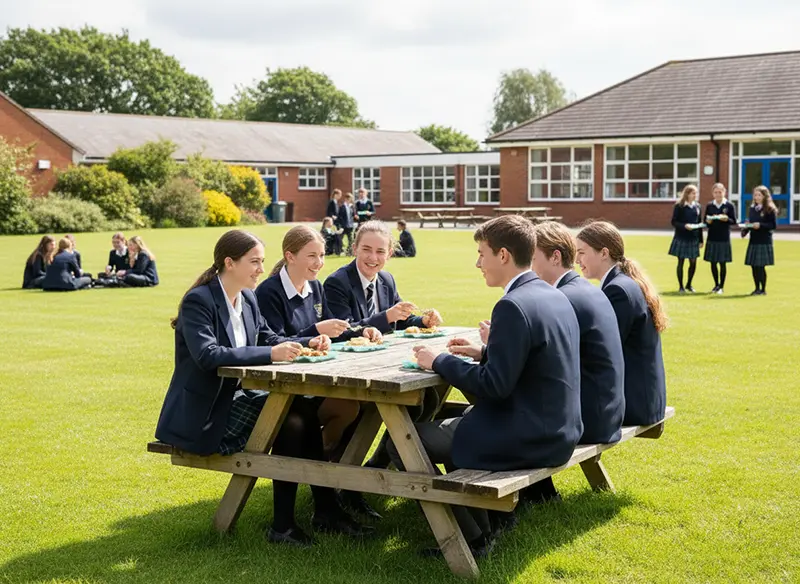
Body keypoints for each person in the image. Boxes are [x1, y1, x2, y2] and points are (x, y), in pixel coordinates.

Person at [155, 230, 371, 547]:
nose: (260, 269)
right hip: (208, 415)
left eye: (261, 261)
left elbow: (268, 338)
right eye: (254, 262)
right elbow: (207, 355)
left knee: (298, 412)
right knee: (295, 414)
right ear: (229, 263)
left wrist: (307, 342)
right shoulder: (199, 301)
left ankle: (306, 516)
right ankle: (307, 516)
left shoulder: (247, 297)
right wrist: (271, 353)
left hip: (239, 398)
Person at [397, 215, 582, 558]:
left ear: (503, 255)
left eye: (482, 254)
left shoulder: (512, 305)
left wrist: (438, 361)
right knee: (459, 423)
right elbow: (534, 361)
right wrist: (484, 352)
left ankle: (471, 539)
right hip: (561, 429)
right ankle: (489, 524)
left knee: (403, 439)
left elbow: (494, 386)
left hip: (529, 436)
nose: (478, 263)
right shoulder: (552, 295)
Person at [324, 220, 443, 518]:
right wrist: (385, 317)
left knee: (427, 397)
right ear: (354, 248)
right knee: (400, 403)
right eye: (366, 249)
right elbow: (343, 330)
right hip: (347, 375)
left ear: (389, 253)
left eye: (380, 251)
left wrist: (421, 321)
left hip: (381, 367)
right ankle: (350, 484)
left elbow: (399, 319)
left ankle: (378, 465)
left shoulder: (386, 280)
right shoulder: (337, 282)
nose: (372, 257)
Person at [256, 225, 384, 456]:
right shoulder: (268, 292)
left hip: (314, 378)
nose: (319, 263)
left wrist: (361, 332)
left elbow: (333, 326)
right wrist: (313, 333)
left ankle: (332, 463)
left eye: (322, 255)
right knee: (347, 405)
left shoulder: (315, 286)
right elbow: (272, 342)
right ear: (290, 256)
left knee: (357, 404)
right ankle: (320, 463)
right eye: (312, 256)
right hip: (282, 387)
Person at [576, 221, 667, 426]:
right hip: (643, 398)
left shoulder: (618, 290)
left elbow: (603, 351)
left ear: (604, 253)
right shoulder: (623, 282)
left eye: (582, 252)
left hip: (636, 403)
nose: (576, 260)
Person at [742, 185, 777, 296]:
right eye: (755, 195)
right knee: (753, 265)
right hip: (754, 240)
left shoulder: (770, 209)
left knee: (761, 266)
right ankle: (756, 288)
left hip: (764, 240)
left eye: (759, 195)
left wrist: (760, 225)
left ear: (765, 196)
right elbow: (751, 223)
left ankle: (763, 289)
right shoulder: (752, 209)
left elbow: (772, 225)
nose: (756, 197)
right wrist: (745, 229)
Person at [669, 184, 704, 293]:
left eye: (696, 193)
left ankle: (689, 284)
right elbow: (674, 222)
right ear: (687, 194)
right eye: (693, 193)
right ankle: (681, 286)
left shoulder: (698, 206)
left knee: (693, 262)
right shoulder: (679, 206)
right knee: (681, 262)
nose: (695, 195)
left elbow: (699, 223)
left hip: (693, 238)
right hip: (681, 237)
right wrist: (684, 226)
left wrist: (701, 240)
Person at [703, 183, 737, 294]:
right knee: (713, 263)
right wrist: (708, 221)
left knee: (722, 263)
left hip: (724, 238)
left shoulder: (729, 205)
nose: (718, 194)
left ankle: (721, 286)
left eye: (720, 192)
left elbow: (733, 221)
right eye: (716, 192)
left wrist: (726, 219)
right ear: (713, 193)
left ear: (724, 192)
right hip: (712, 237)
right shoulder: (710, 206)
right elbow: (705, 222)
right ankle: (716, 285)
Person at [325, 190, 343, 255]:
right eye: (339, 195)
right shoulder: (331, 202)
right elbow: (328, 212)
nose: (340, 196)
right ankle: (334, 250)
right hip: (332, 222)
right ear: (335, 195)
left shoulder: (336, 203)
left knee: (337, 236)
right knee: (333, 236)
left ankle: (338, 250)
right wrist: (332, 216)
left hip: (336, 222)